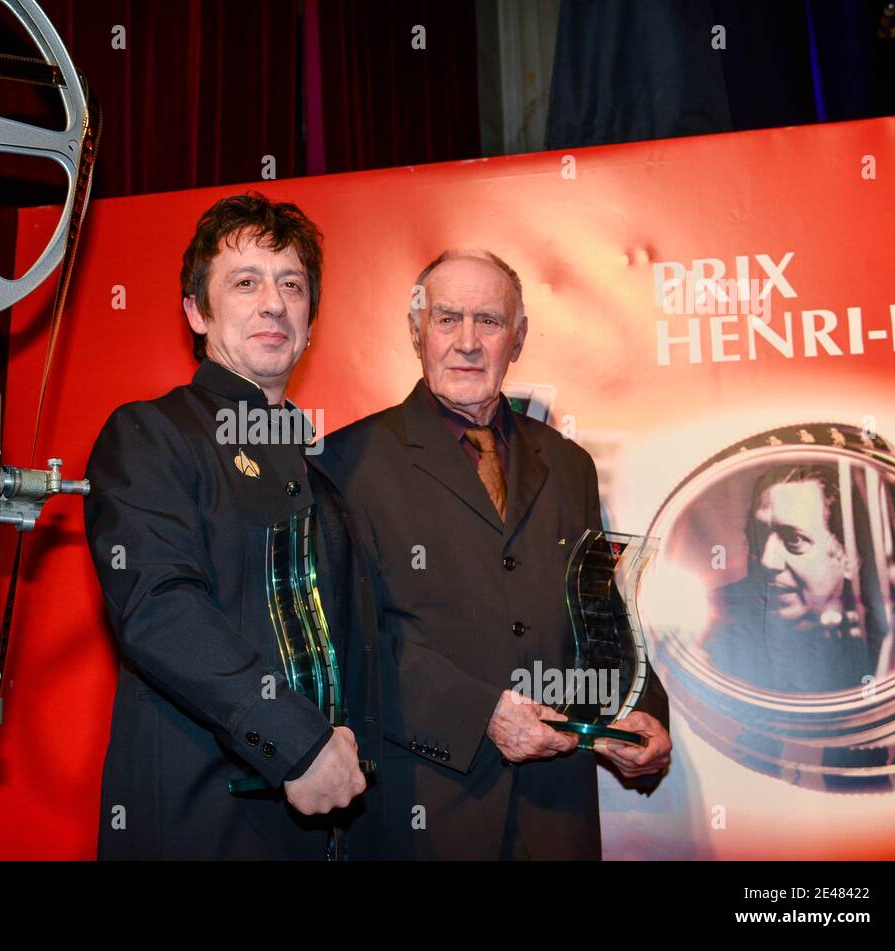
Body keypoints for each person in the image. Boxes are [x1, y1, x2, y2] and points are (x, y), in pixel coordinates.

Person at [318, 249, 671, 860]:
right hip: (422, 814)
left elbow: (601, 617)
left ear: (520, 337)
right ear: (415, 331)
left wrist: (640, 711)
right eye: (448, 319)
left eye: (490, 321)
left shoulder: (567, 464)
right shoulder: (345, 464)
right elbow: (350, 640)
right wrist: (481, 712)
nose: (468, 343)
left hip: (557, 814)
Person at [83, 193, 377, 859]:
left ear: (308, 320)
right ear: (197, 311)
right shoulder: (152, 433)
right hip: (201, 828)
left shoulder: (326, 477)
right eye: (245, 282)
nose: (274, 302)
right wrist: (299, 741)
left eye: (292, 285)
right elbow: (160, 606)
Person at [703, 464, 874, 693]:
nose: (767, 561)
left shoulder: (884, 648)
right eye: (757, 537)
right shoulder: (710, 626)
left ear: (851, 557)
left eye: (794, 539)